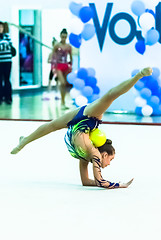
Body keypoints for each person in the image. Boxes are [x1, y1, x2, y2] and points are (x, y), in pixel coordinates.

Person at [10, 67, 152, 189]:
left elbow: (86, 182)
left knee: (52, 125)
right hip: (89, 117)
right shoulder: (94, 154)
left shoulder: (86, 156)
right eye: (111, 159)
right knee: (110, 96)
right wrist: (120, 184)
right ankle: (139, 74)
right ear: (104, 155)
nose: (109, 164)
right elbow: (101, 182)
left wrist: (98, 182)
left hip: (80, 122)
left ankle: (25, 140)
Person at [52, 28, 73, 109]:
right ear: (60, 36)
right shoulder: (57, 45)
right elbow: (53, 56)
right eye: (62, 36)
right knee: (63, 83)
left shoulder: (68, 46)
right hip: (58, 66)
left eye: (65, 37)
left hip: (65, 65)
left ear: (66, 36)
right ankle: (62, 102)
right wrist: (53, 67)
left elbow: (70, 57)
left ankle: (63, 102)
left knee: (65, 85)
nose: (63, 38)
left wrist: (70, 66)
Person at [0, 21, 14, 105]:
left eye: (1, 27)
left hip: (7, 61)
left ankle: (8, 97)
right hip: (0, 61)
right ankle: (0, 98)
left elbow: (10, 46)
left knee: (7, 80)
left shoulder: (7, 36)